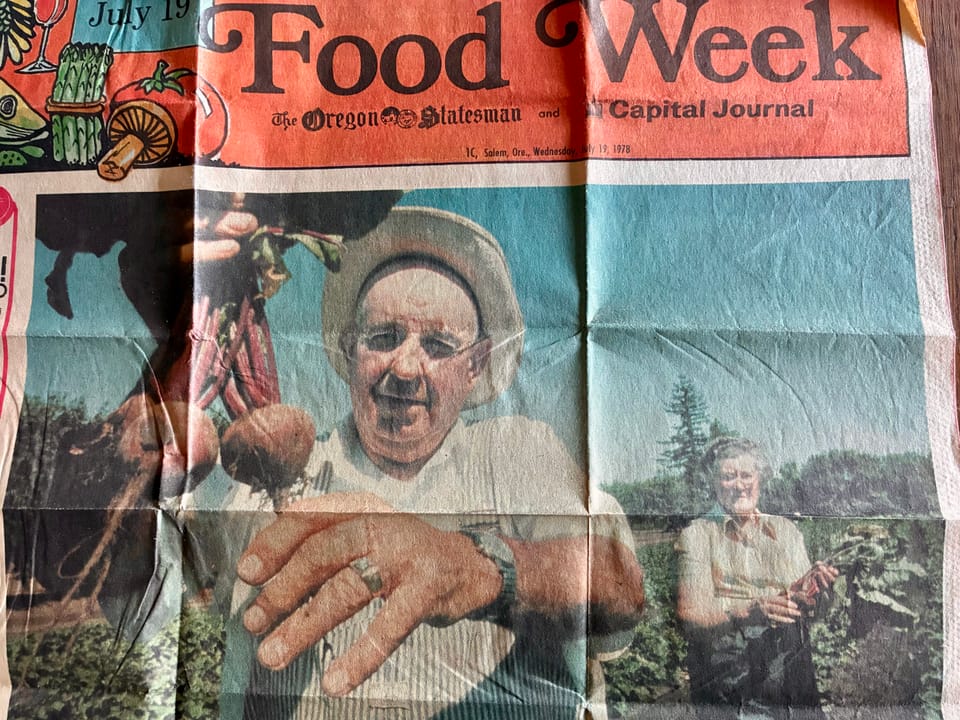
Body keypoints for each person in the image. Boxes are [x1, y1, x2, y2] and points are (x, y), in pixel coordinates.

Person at [218, 206, 645, 719]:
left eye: (439, 345)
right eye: (383, 338)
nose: (405, 368)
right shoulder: (275, 480)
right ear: (349, 348)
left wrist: (477, 568)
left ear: (476, 365)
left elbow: (620, 586)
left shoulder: (516, 451)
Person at [676, 438, 838, 720]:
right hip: (733, 685)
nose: (740, 485)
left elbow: (813, 610)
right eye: (728, 476)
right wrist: (749, 611)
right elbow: (690, 614)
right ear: (713, 482)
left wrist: (819, 591)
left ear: (759, 478)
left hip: (793, 678)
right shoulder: (698, 535)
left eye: (747, 475)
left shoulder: (785, 530)